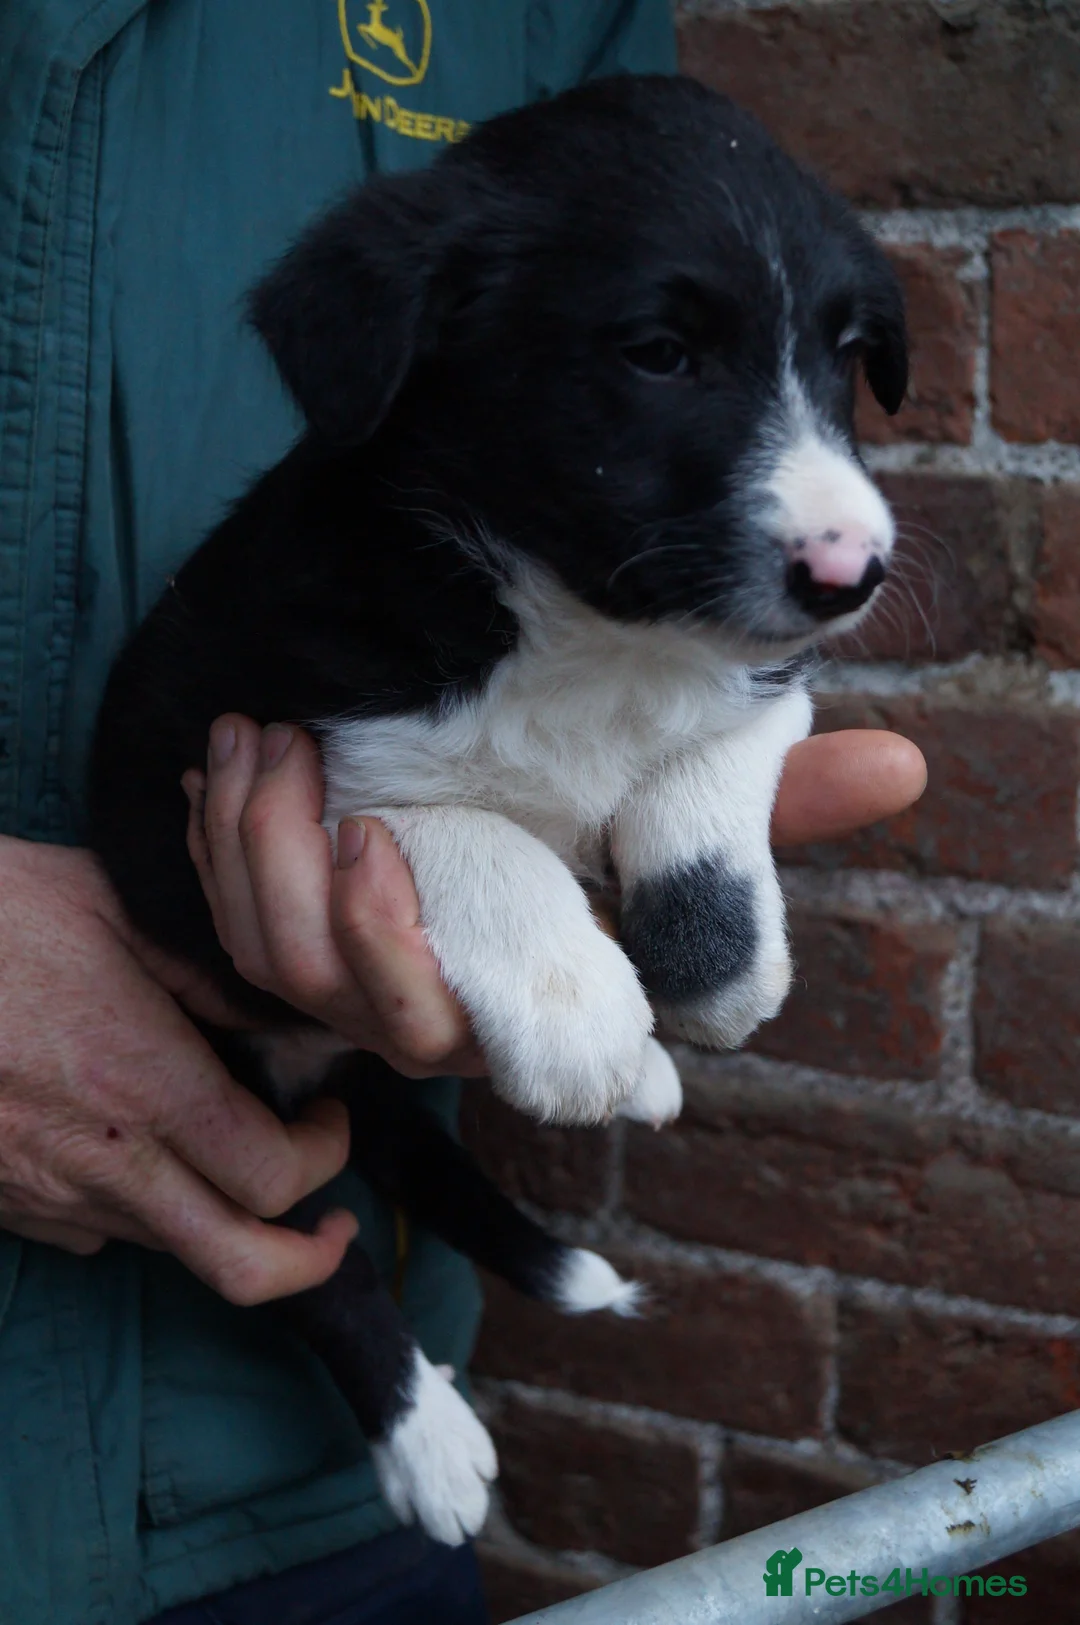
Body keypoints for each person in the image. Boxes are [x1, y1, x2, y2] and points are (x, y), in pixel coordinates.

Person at [0, 3, 927, 1622]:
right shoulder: (338, 568)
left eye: (837, 364)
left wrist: (685, 865)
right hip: (197, 1383)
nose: (844, 534)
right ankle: (384, 1358)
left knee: (331, 1142)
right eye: (665, 353)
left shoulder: (559, 30)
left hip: (269, 1506)